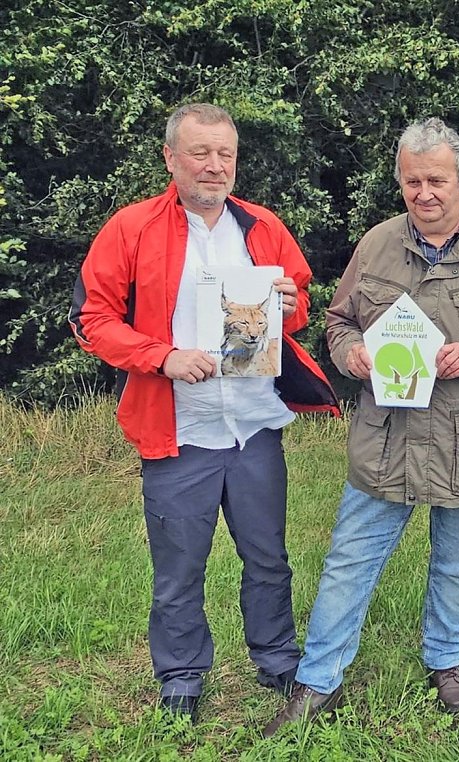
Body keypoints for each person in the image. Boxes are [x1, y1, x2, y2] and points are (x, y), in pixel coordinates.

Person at [263, 117, 459, 734]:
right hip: (387, 439)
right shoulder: (375, 245)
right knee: (349, 558)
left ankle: (445, 661)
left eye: (437, 180)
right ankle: (318, 681)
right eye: (412, 181)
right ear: (399, 183)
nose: (425, 193)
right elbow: (339, 322)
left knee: (457, 560)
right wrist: (349, 354)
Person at [69, 103, 339, 722]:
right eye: (200, 153)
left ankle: (277, 661)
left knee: (267, 556)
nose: (215, 166)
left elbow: (293, 311)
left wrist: (291, 303)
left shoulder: (263, 226)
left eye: (226, 154)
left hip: (253, 424)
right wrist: (160, 357)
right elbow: (93, 320)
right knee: (180, 565)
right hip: (178, 428)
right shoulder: (131, 228)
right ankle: (183, 676)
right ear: (171, 157)